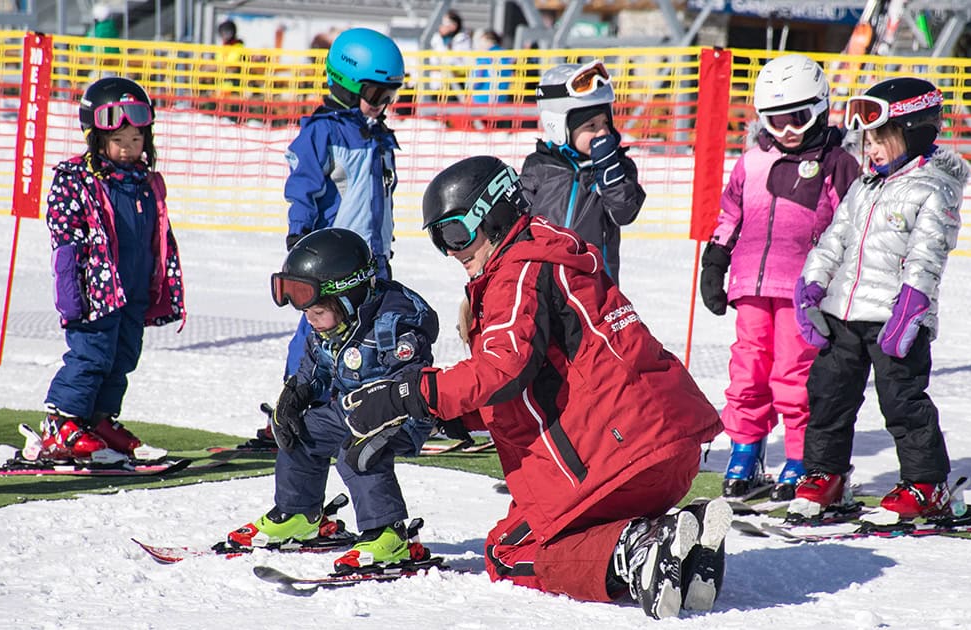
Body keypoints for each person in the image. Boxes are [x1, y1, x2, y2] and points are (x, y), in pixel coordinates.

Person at [338, 156, 730, 619]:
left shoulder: (517, 271)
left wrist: (405, 394)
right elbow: (527, 384)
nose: (453, 251)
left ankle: (635, 550)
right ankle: (683, 542)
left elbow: (502, 366)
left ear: (497, 213)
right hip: (663, 451)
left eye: (458, 234)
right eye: (439, 239)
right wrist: (439, 412)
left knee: (506, 550)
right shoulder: (555, 258)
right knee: (548, 522)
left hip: (614, 462)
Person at [788, 77, 970, 523]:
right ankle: (825, 476)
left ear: (914, 133)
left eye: (882, 137)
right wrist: (812, 284)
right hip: (844, 315)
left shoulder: (933, 189)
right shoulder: (865, 188)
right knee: (828, 395)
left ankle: (927, 484)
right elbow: (835, 239)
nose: (871, 148)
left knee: (903, 401)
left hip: (896, 320)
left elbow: (927, 256)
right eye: (868, 139)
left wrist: (911, 309)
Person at [228, 227, 441, 572]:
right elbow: (315, 369)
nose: (311, 322)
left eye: (317, 312)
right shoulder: (329, 329)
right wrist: (295, 396)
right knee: (300, 432)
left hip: (401, 416)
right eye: (306, 314)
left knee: (354, 452)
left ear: (348, 299)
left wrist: (388, 418)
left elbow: (412, 384)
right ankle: (298, 513)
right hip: (351, 411)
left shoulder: (393, 327)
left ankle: (387, 533)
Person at [699, 53, 860, 504]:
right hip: (751, 284)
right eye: (775, 120)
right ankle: (744, 451)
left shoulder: (837, 163)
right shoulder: (751, 162)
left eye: (798, 118)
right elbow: (731, 213)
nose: (787, 130)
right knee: (747, 369)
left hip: (803, 288)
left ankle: (798, 457)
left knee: (793, 372)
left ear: (822, 108)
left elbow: (853, 222)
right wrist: (715, 260)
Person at [35, 77, 184, 464]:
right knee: (91, 356)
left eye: (137, 140)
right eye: (120, 141)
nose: (129, 149)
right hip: (95, 292)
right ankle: (62, 423)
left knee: (123, 357)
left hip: (133, 289)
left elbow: (159, 236)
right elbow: (64, 242)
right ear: (96, 139)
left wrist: (161, 284)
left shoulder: (147, 183)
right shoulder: (77, 180)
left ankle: (99, 420)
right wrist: (70, 296)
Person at [274, 27, 404, 411]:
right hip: (332, 260)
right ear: (346, 86)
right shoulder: (323, 133)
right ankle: (297, 397)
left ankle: (364, 401)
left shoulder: (377, 136)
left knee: (374, 328)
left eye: (390, 96)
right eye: (376, 95)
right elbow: (303, 186)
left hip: (370, 257)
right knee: (319, 328)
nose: (382, 104)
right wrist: (299, 233)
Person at [521, 60, 645, 283]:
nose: (602, 132)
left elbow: (623, 212)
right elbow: (518, 224)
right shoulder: (539, 167)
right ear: (558, 126)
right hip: (543, 281)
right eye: (591, 126)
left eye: (605, 123)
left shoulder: (620, 167)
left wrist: (609, 171)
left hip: (594, 285)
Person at [426, 10, 471, 101]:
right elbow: (432, 60)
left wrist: (447, 67)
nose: (441, 26)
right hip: (436, 85)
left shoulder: (462, 39)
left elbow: (461, 63)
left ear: (454, 26)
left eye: (445, 23)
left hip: (454, 85)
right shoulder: (436, 38)